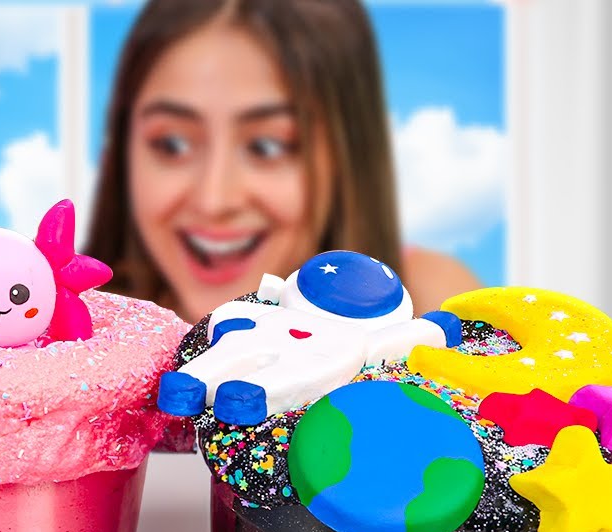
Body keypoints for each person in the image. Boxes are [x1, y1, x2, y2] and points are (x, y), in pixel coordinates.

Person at [85, 0, 480, 325]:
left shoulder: (436, 309)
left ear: (347, 155)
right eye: (171, 144)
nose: (213, 200)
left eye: (268, 147)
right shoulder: (66, 323)